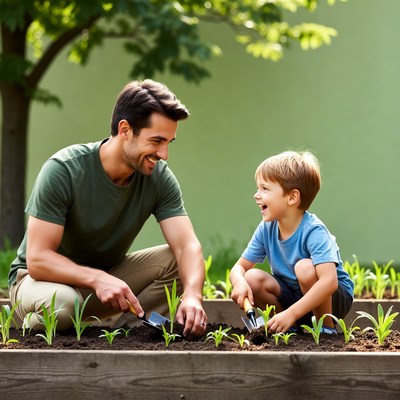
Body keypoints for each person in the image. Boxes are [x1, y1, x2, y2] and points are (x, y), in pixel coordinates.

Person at [8, 79, 207, 336]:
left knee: (177, 259)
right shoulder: (64, 170)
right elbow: (38, 259)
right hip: (38, 284)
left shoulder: (158, 177)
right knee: (65, 304)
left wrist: (193, 295)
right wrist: (97, 278)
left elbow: (187, 246)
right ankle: (32, 330)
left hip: (100, 284)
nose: (164, 154)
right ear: (125, 129)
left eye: (169, 142)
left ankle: (124, 335)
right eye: (157, 141)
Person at [229, 150, 354, 334]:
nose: (256, 195)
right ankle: (287, 327)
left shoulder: (313, 230)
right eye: (258, 188)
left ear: (292, 197)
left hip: (332, 300)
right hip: (294, 297)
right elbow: (239, 268)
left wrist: (292, 312)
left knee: (304, 268)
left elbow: (329, 282)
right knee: (252, 278)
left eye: (265, 189)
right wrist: (239, 281)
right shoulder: (267, 228)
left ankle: (326, 330)